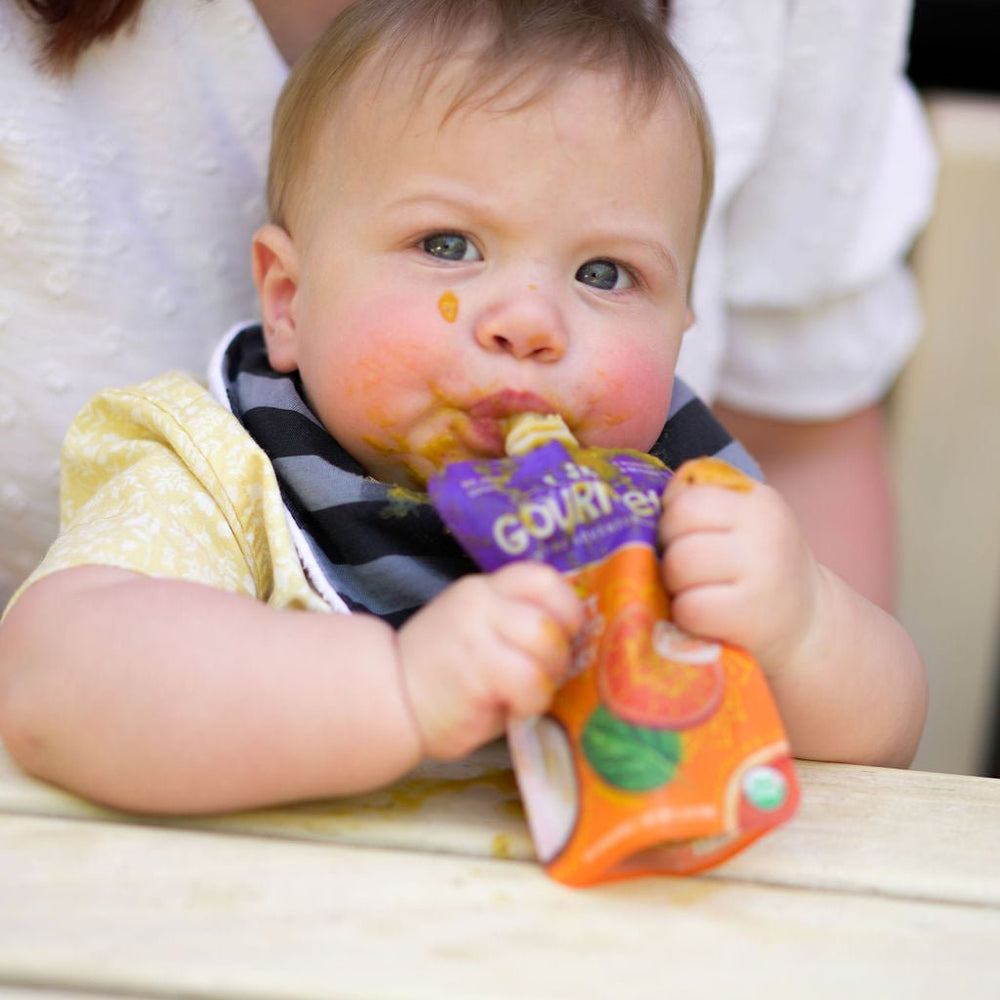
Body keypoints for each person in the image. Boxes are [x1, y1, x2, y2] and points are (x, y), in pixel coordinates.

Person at [0, 0, 926, 815]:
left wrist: (803, 630)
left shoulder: (673, 503)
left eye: (606, 274)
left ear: (683, 323)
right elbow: (52, 679)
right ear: (288, 300)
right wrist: (398, 691)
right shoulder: (226, 470)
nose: (528, 319)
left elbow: (885, 743)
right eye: (447, 245)